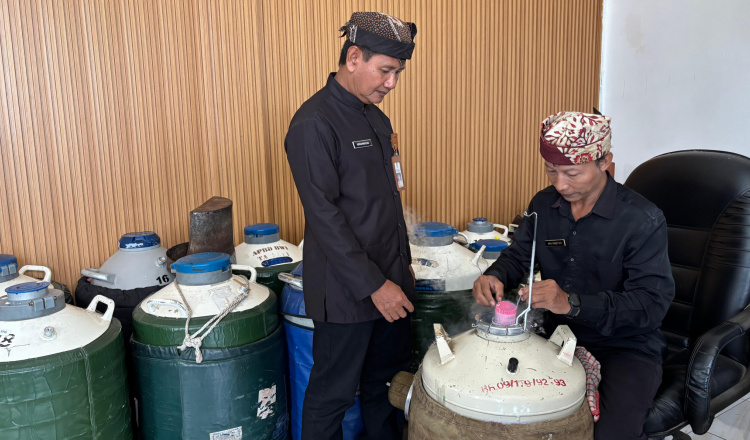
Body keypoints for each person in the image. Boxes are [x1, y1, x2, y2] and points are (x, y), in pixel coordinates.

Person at [473, 111, 675, 440]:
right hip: (555, 333)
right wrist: (495, 275)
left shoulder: (643, 220)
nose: (560, 184)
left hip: (624, 345)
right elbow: (519, 255)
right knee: (505, 409)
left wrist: (571, 303)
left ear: (604, 161)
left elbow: (650, 305)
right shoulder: (543, 205)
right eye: (551, 170)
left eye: (572, 173)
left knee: (612, 432)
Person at [284, 12, 418, 440]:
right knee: (332, 396)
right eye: (385, 71)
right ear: (354, 57)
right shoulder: (314, 123)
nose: (391, 83)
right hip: (347, 291)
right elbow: (324, 218)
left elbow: (387, 202)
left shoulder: (375, 117)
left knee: (386, 385)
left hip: (392, 281)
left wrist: (401, 268)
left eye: (398, 73)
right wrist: (374, 285)